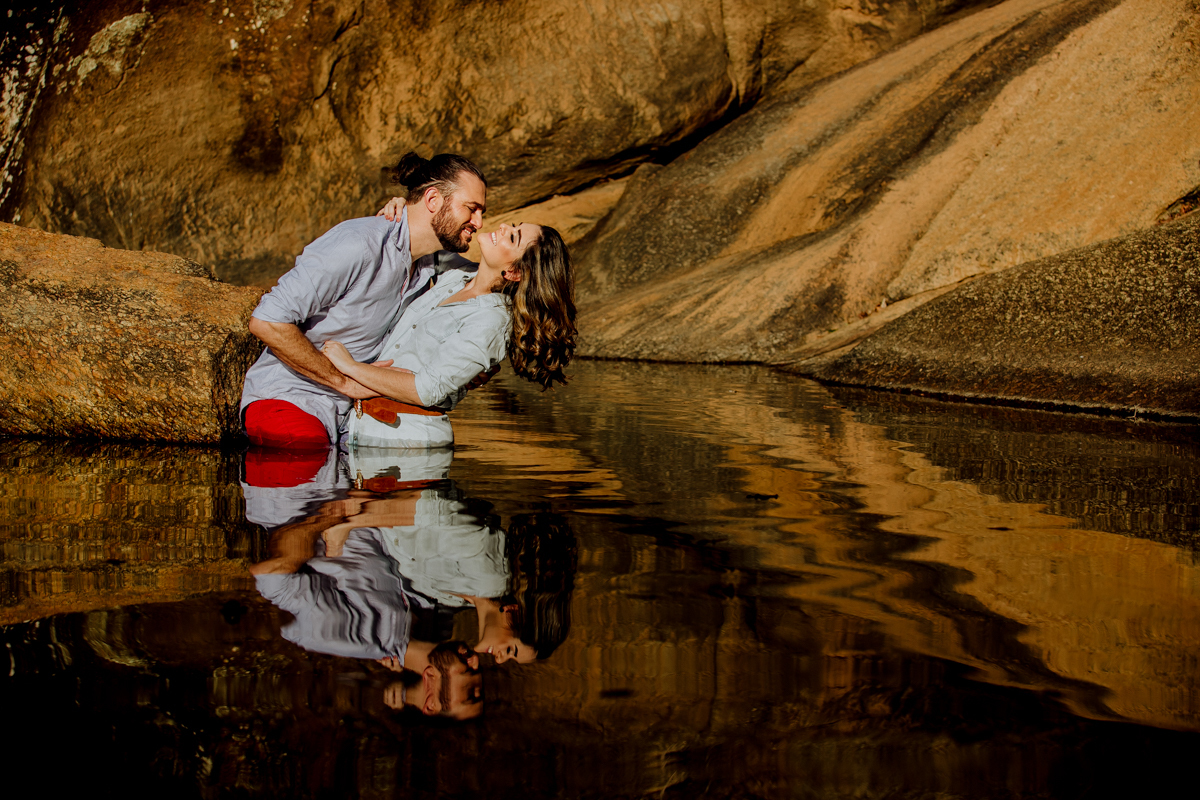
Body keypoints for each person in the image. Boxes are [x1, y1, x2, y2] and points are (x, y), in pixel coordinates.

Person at [239, 152, 488, 451]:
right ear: (433, 200)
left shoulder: (434, 265)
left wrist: (467, 365)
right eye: (472, 209)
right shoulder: (358, 243)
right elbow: (267, 321)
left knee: (428, 453)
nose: (479, 222)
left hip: (358, 411)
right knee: (309, 462)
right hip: (291, 399)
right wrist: (344, 382)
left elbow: (495, 279)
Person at [321, 218, 577, 449]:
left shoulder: (492, 321)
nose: (504, 227)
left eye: (513, 237)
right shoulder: (458, 275)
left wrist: (350, 367)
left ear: (514, 272)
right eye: (513, 225)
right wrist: (401, 208)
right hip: (364, 430)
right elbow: (421, 236)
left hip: (406, 443)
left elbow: (428, 390)